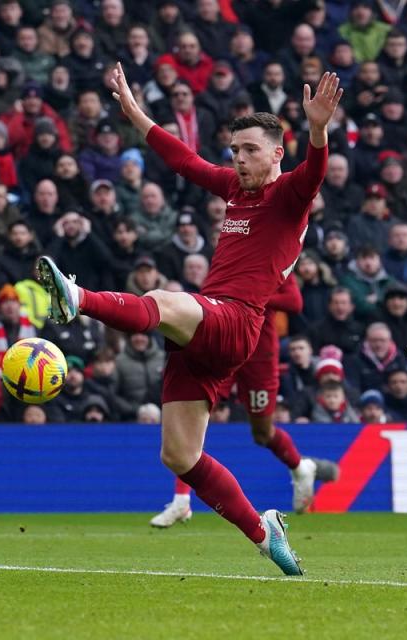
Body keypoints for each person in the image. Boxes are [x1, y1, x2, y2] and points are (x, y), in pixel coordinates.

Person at [37, 65, 340, 575]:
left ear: (275, 153)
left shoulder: (289, 194)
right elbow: (183, 159)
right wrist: (134, 112)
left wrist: (318, 130)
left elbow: (315, 171)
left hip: (238, 320)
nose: (238, 159)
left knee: (165, 300)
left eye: (249, 150)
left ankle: (77, 295)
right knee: (179, 456)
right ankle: (264, 533)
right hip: (207, 329)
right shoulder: (234, 189)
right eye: (235, 150)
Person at [151, 276, 340, 528]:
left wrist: (249, 297)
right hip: (224, 346)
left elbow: (294, 301)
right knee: (195, 415)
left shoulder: (274, 256)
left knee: (262, 433)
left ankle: (300, 466)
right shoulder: (233, 253)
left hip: (259, 354)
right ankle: (181, 499)